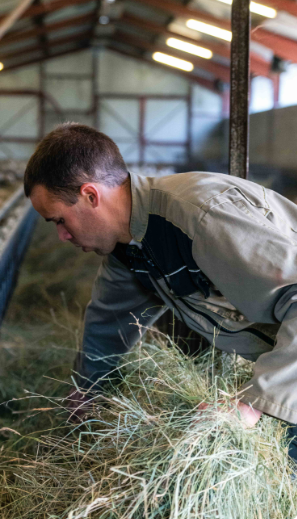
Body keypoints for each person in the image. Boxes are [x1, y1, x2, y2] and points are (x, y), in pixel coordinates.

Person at [24, 122, 297, 459]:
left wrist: (252, 407)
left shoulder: (202, 215)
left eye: (59, 221)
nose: (62, 237)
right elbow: (109, 323)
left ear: (90, 195)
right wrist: (88, 390)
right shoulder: (132, 249)